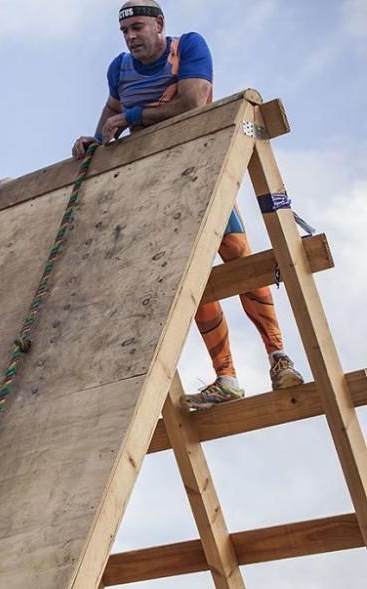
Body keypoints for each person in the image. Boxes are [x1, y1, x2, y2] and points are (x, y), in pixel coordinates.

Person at [70, 0, 304, 409]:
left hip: (204, 175)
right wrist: (96, 137)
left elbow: (194, 102)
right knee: (189, 279)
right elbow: (112, 108)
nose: (131, 37)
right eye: (125, 32)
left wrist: (133, 116)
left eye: (138, 28)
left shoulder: (188, 48)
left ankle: (278, 356)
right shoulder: (119, 69)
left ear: (159, 24)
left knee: (238, 259)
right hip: (158, 191)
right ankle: (226, 376)